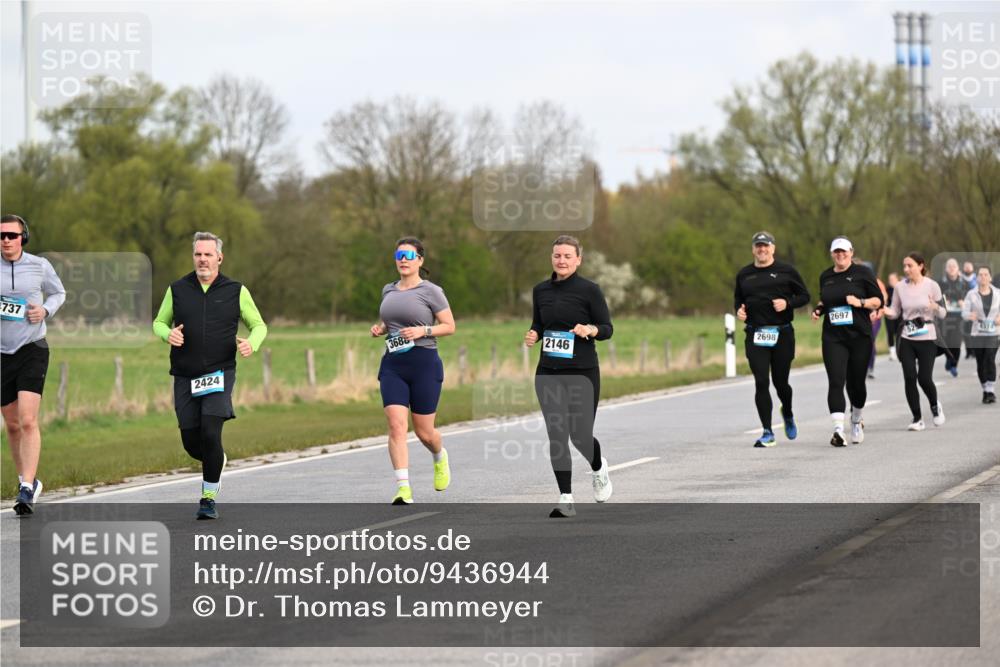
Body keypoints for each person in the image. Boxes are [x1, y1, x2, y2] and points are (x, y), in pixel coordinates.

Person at [153, 232, 267, 519]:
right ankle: (217, 461)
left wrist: (251, 343)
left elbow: (259, 325)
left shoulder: (236, 290)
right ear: (193, 257)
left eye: (207, 254)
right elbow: (158, 322)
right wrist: (168, 334)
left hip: (219, 372)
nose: (202, 259)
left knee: (210, 431)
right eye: (197, 254)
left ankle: (208, 498)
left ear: (219, 257)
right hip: (184, 374)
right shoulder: (177, 289)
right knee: (192, 442)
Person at [525, 235, 613, 517]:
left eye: (566, 256)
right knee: (557, 435)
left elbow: (607, 328)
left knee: (579, 435)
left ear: (578, 259)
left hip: (582, 373)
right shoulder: (540, 291)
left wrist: (591, 330)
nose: (561, 260)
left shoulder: (590, 290)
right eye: (556, 256)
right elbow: (539, 323)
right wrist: (534, 334)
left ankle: (598, 468)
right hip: (548, 372)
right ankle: (566, 497)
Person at [371, 238, 455, 505]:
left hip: (424, 363)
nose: (403, 259)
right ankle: (403, 488)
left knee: (424, 432)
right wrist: (380, 328)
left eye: (409, 255)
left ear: (420, 260)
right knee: (396, 426)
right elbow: (389, 320)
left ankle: (439, 456)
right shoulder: (388, 290)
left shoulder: (431, 291)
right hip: (393, 364)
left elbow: (449, 325)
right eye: (399, 255)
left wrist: (423, 330)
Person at [1, 214, 66, 516]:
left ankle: (27, 488)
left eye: (12, 235)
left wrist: (45, 310)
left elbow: (59, 292)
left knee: (28, 420)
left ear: (23, 237)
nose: (6, 241)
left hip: (32, 348)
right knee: (12, 425)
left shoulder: (39, 265)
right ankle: (25, 478)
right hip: (2, 352)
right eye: (1, 236)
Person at [734, 231, 810, 447]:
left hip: (782, 333)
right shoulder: (744, 274)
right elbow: (739, 300)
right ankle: (767, 431)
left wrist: (787, 303)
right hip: (756, 334)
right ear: (753, 249)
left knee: (781, 383)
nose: (762, 249)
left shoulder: (786, 271)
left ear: (773, 249)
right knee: (761, 381)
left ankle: (787, 411)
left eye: (765, 246)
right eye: (758, 246)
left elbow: (805, 296)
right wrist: (739, 312)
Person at [811, 237, 884, 446]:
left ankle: (856, 419)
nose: (840, 255)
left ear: (851, 252)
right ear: (832, 254)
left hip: (859, 336)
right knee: (836, 381)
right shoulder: (826, 276)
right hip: (833, 337)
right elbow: (825, 299)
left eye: (844, 251)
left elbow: (878, 300)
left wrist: (859, 302)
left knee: (856, 384)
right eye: (836, 252)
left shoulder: (863, 273)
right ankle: (838, 430)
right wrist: (819, 309)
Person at [883, 252, 947, 431]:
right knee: (909, 377)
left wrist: (934, 306)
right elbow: (895, 311)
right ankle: (917, 418)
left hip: (927, 337)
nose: (906, 269)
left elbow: (943, 313)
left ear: (920, 265)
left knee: (924, 378)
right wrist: (884, 311)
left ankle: (935, 406)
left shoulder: (932, 286)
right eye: (904, 266)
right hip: (907, 336)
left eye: (909, 265)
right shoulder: (899, 288)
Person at [962, 266, 1000, 404]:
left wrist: (998, 319)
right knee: (980, 363)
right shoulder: (971, 294)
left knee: (990, 358)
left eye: (986, 274)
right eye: (980, 274)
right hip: (977, 333)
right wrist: (969, 315)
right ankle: (985, 389)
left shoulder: (998, 294)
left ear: (990, 277)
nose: (983, 277)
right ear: (977, 277)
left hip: (994, 332)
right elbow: (964, 312)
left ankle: (991, 390)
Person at [857, 259, 888, 380]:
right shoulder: (856, 281)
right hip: (861, 316)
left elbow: (883, 298)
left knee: (870, 340)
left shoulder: (877, 282)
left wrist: (878, 312)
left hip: (875, 315)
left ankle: (870, 367)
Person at [940, 258, 966, 377]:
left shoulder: (963, 283)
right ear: (946, 269)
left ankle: (954, 364)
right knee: (945, 341)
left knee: (956, 342)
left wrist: (963, 301)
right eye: (949, 266)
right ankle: (948, 358)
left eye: (954, 266)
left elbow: (971, 296)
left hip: (959, 316)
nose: (951, 268)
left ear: (958, 269)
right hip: (945, 316)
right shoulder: (941, 282)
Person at [962, 260, 977, 360]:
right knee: (966, 330)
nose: (967, 268)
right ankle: (968, 351)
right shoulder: (960, 279)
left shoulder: (977, 278)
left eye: (969, 267)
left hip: (975, 307)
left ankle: (974, 351)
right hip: (964, 306)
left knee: (974, 330)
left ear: (972, 268)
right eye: (966, 267)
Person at [885, 272, 901, 362]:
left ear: (897, 279)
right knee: (890, 331)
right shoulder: (887, 289)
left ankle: (899, 350)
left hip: (900, 314)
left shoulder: (902, 288)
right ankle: (892, 351)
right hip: (889, 313)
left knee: (899, 331)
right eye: (889, 279)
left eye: (892, 279)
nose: (890, 281)